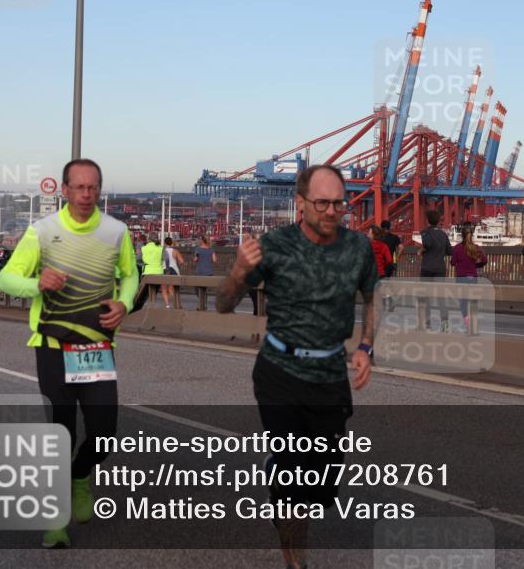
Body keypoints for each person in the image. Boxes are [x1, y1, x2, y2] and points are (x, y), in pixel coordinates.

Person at [216, 164, 376, 569]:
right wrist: (238, 270)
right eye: (322, 202)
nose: (331, 211)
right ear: (300, 203)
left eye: (339, 203)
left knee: (322, 485)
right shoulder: (273, 245)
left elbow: (373, 297)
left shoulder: (358, 248)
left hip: (329, 376)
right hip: (279, 370)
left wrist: (366, 347)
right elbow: (224, 303)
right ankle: (295, 558)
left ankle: (281, 473)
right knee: (293, 472)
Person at [0, 158, 138, 550]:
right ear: (65, 189)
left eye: (93, 187)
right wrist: (36, 283)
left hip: (96, 346)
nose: (86, 194)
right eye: (79, 187)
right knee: (60, 433)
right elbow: (5, 278)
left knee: (105, 435)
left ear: (100, 190)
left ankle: (79, 476)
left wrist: (125, 303)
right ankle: (55, 521)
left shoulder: (116, 232)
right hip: (53, 346)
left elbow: (130, 274)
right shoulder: (42, 231)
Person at [418, 209, 452, 331]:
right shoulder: (443, 234)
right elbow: (449, 251)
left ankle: (427, 325)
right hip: (440, 269)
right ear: (438, 221)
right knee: (441, 298)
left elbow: (427, 244)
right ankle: (445, 325)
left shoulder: (425, 232)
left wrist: (421, 250)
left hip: (427, 268)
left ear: (427, 221)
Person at [451, 225, 488, 332]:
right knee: (473, 303)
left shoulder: (457, 248)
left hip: (461, 278)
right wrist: (476, 266)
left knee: (463, 304)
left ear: (462, 235)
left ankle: (468, 325)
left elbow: (453, 262)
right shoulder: (476, 247)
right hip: (473, 278)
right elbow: (484, 260)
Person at [379, 219, 402, 311]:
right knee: (386, 283)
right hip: (390, 263)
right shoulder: (395, 237)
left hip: (380, 264)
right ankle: (389, 303)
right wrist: (397, 258)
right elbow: (401, 247)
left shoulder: (379, 237)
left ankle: (386, 304)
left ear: (381, 227)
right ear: (389, 227)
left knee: (380, 284)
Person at [161, 236, 185, 309]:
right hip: (174, 270)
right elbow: (182, 261)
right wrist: (177, 263)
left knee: (164, 289)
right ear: (171, 243)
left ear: (165, 243)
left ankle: (167, 305)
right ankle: (178, 304)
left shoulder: (162, 251)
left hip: (165, 269)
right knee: (172, 289)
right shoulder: (175, 251)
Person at [141, 235, 164, 306]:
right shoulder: (161, 248)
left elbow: (138, 259)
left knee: (146, 292)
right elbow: (165, 259)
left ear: (148, 239)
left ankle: (149, 306)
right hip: (159, 272)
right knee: (154, 290)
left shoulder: (143, 248)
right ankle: (153, 303)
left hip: (147, 271)